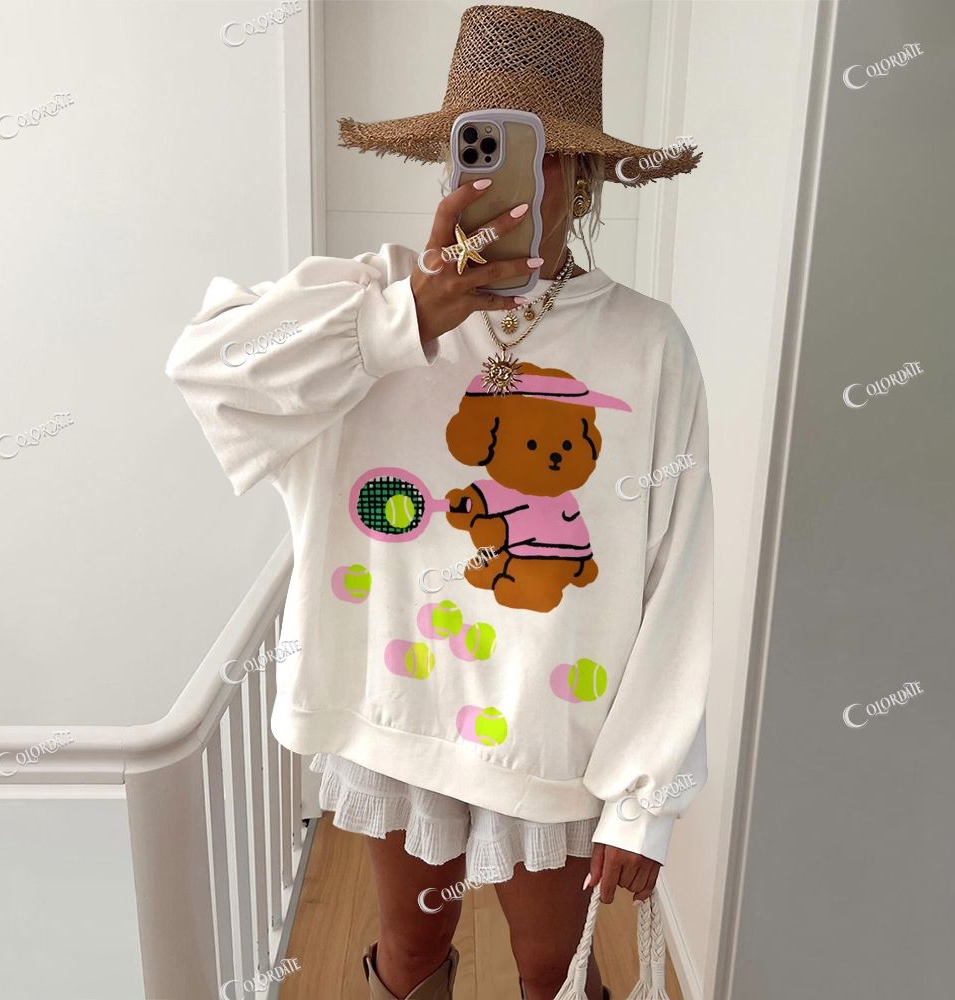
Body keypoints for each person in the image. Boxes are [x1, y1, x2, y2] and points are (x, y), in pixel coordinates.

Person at [165, 6, 712, 999]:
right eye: (479, 148)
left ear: (586, 173)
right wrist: (405, 315)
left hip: (553, 730)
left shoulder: (645, 342)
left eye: (542, 152)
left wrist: (647, 794)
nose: (512, 182)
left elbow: (679, 569)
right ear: (449, 163)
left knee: (553, 968)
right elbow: (207, 369)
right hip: (399, 710)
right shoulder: (368, 298)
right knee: (409, 953)